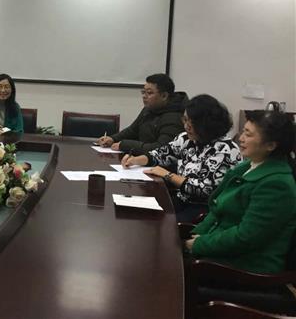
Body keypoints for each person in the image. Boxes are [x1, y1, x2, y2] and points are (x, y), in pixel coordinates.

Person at [184, 111, 296, 274]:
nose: (241, 138)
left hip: (247, 266)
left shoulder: (277, 185)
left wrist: (199, 244)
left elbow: (246, 238)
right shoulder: (248, 166)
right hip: (219, 248)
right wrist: (197, 235)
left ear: (271, 145)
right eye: (243, 131)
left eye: (248, 134)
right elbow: (217, 210)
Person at [122, 94, 241, 222]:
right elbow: (162, 154)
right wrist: (137, 160)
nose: (186, 126)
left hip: (205, 209)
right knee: (138, 211)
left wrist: (168, 175)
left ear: (208, 124)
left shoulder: (225, 149)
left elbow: (204, 190)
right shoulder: (186, 138)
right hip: (182, 200)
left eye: (192, 122)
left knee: (158, 222)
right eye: (185, 120)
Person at [96, 73, 188, 153]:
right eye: (143, 92)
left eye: (149, 93)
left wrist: (124, 145)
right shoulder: (149, 109)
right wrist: (113, 139)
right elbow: (132, 130)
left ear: (164, 96)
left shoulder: (175, 117)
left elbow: (161, 149)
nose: (144, 96)